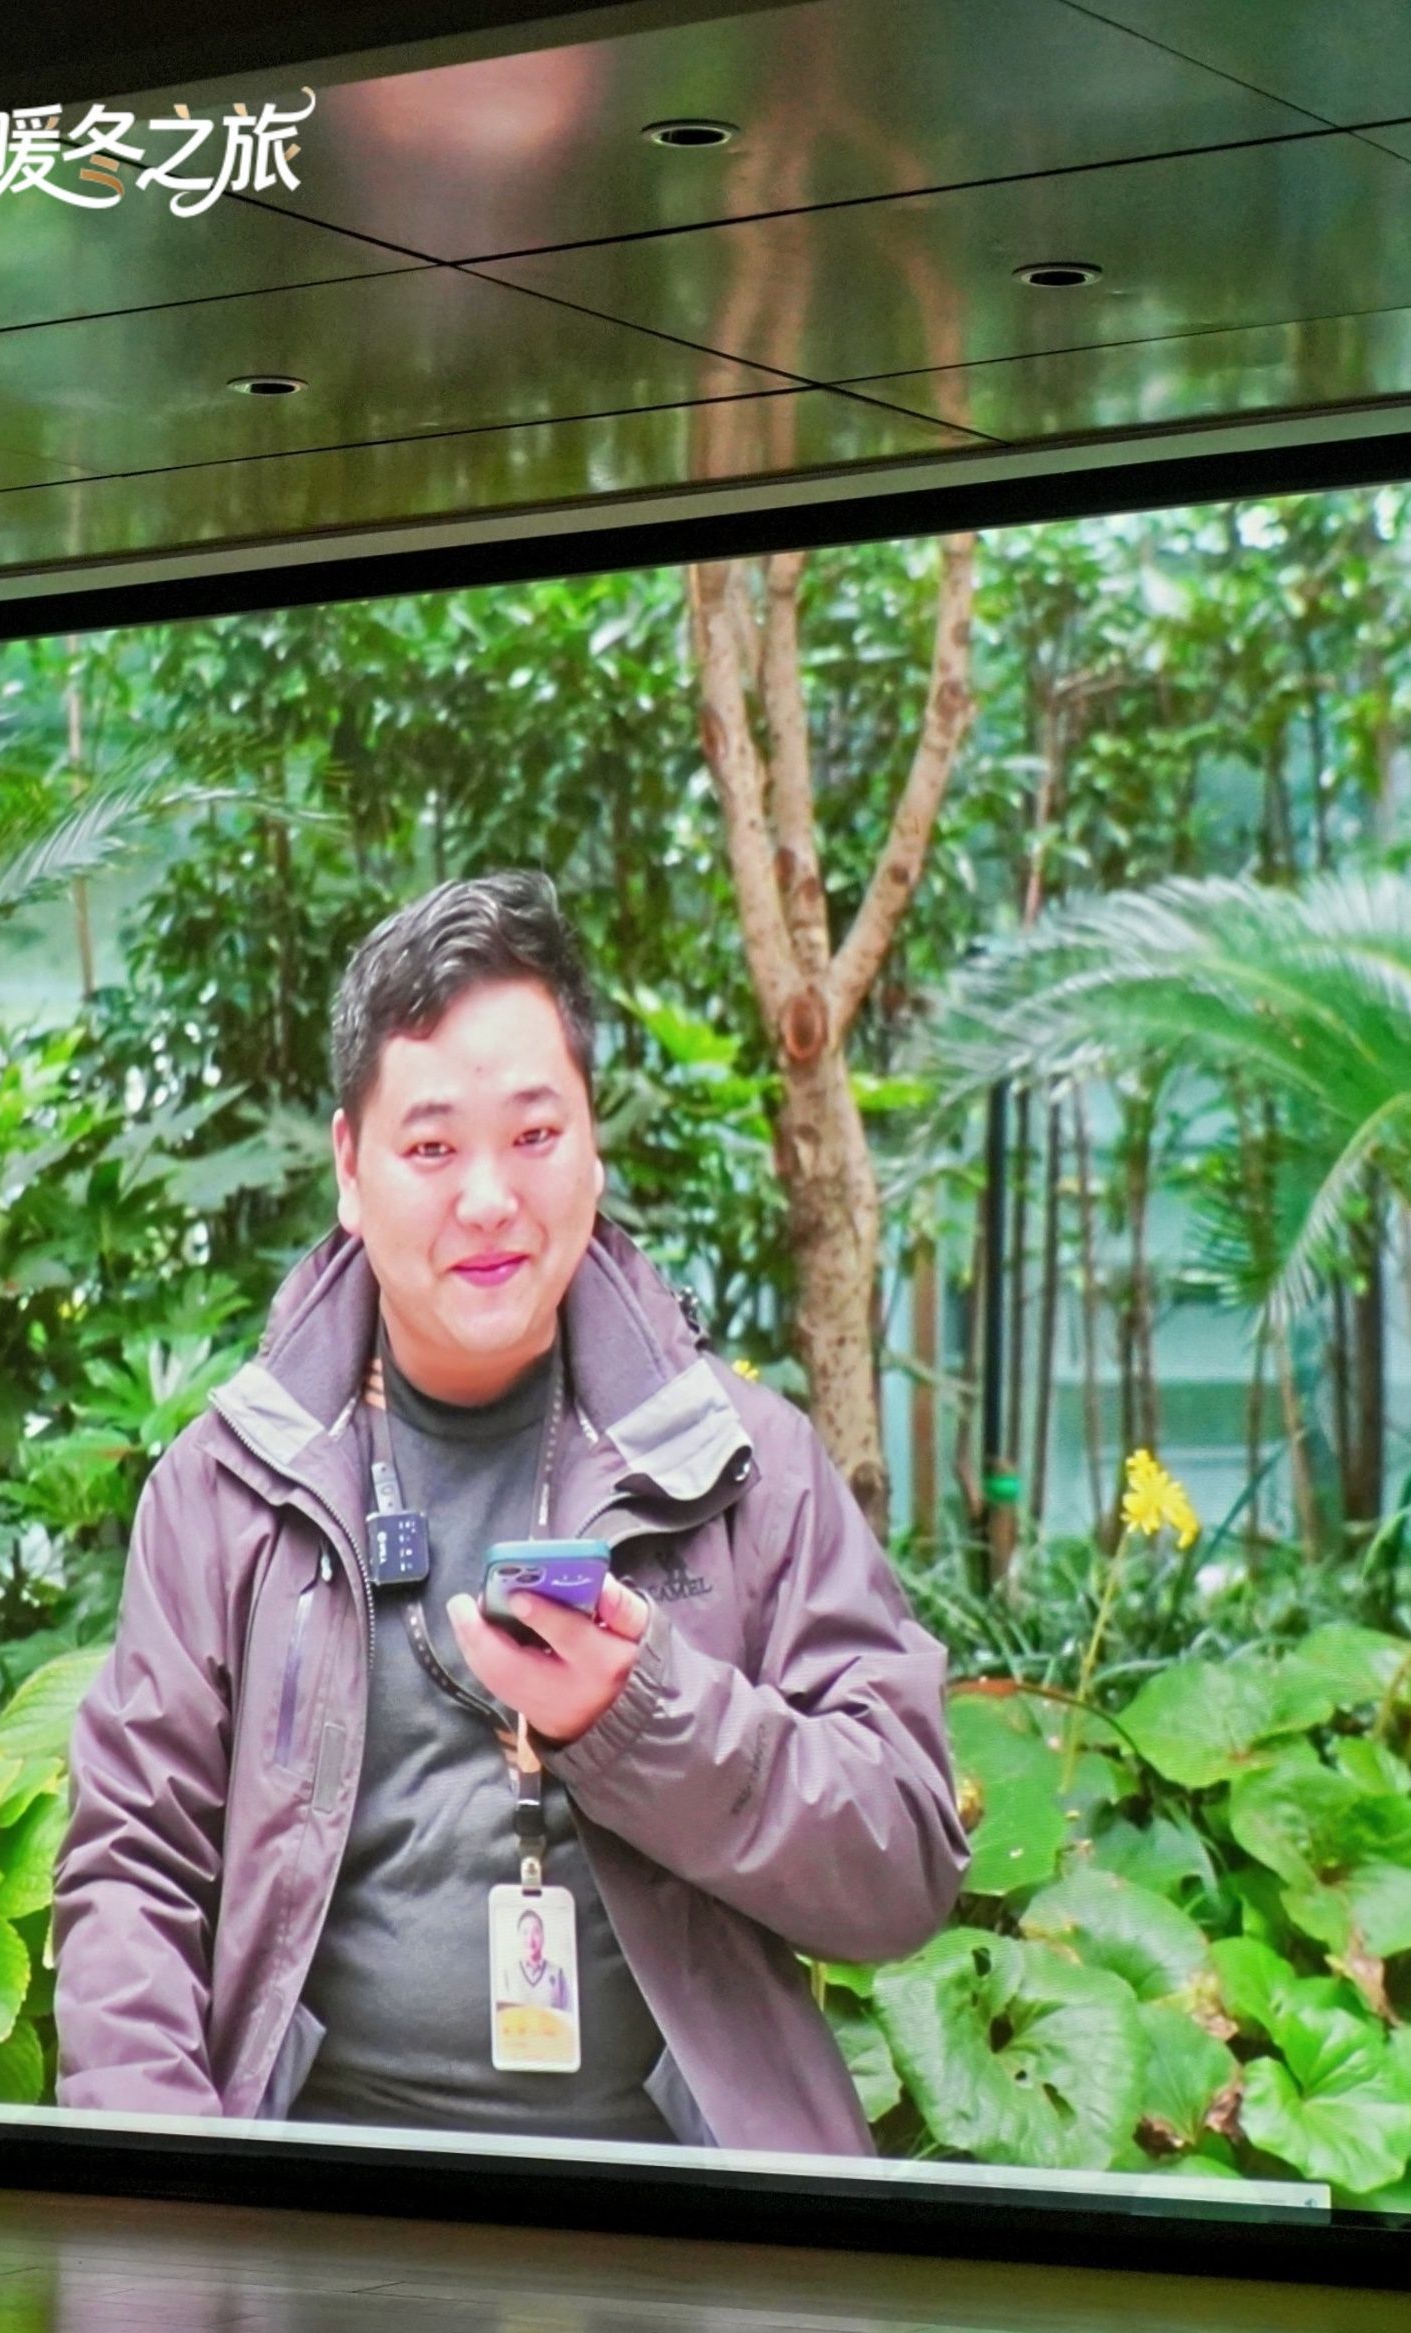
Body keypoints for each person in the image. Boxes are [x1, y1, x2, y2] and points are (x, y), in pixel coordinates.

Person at [54, 872, 967, 2152]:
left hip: (684, 2213)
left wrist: (644, 1717)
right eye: (432, 1149)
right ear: (350, 1168)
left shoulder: (741, 1468)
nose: (489, 1199)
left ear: (593, 1144)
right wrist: (168, 2193)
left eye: (535, 1136)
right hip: (313, 2200)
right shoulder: (228, 1490)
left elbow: (905, 1863)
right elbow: (131, 1868)